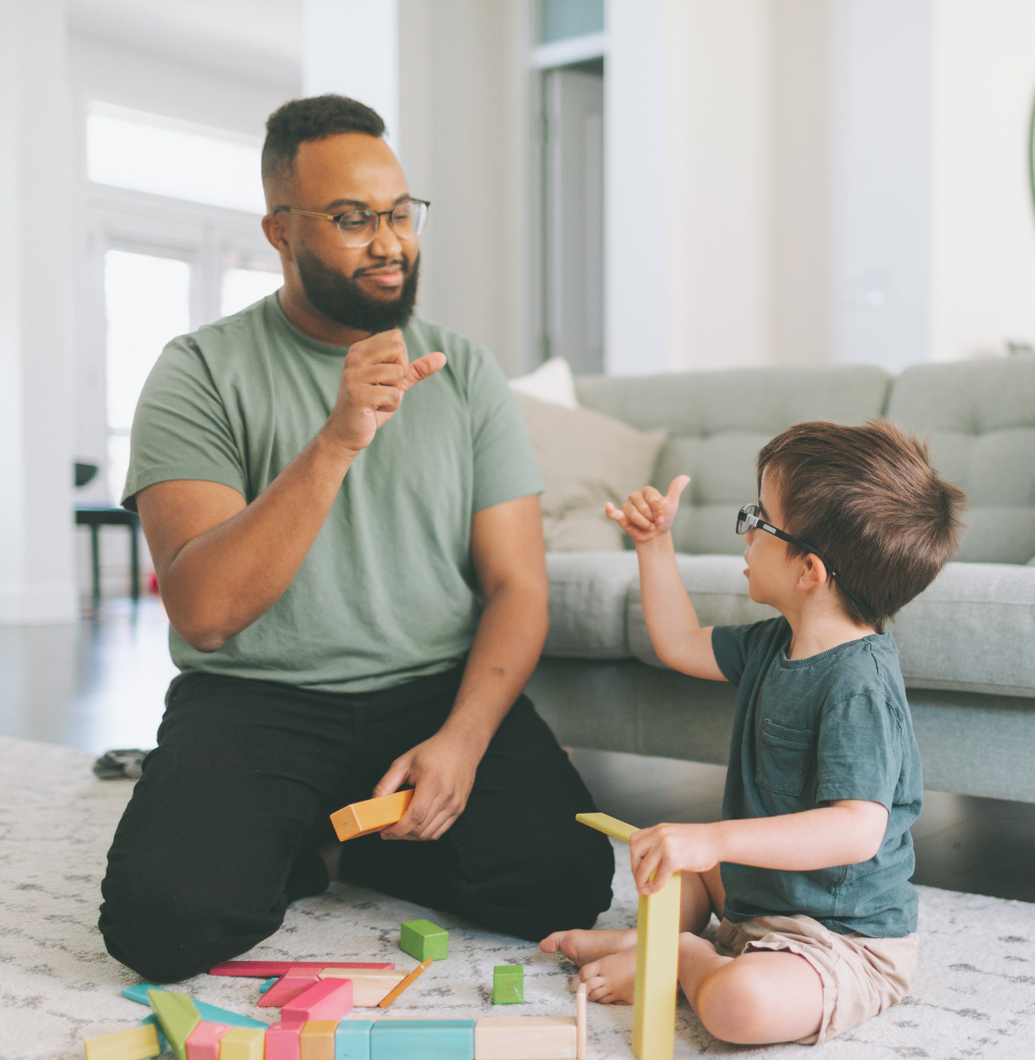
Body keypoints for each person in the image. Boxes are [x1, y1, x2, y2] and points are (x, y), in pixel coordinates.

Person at [98, 94, 614, 984]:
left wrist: (464, 739)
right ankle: (312, 835)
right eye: (351, 219)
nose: (389, 242)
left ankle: (343, 837)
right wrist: (336, 439)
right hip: (258, 699)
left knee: (565, 882)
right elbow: (206, 612)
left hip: (430, 693)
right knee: (161, 925)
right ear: (279, 231)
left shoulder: (467, 370)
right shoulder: (199, 371)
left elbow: (518, 585)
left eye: (400, 213)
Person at [541, 420, 966, 1045]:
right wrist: (654, 544)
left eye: (758, 520)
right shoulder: (776, 642)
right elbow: (680, 643)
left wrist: (713, 838)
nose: (745, 533)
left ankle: (680, 957)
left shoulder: (859, 684)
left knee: (740, 1008)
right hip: (752, 895)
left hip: (839, 937)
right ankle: (666, 940)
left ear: (809, 571)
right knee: (674, 865)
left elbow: (856, 828)